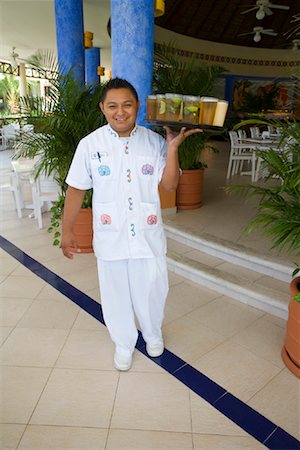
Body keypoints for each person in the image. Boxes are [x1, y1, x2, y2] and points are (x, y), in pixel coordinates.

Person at [61, 78, 201, 371]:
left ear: (137, 106)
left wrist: (173, 148)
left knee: (152, 288)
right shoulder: (90, 145)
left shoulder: (154, 142)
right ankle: (124, 343)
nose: (120, 112)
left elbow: (170, 185)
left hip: (147, 234)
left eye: (127, 104)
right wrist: (67, 230)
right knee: (115, 294)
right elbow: (76, 189)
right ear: (103, 108)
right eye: (112, 105)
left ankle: (152, 333)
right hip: (111, 235)